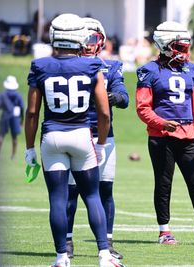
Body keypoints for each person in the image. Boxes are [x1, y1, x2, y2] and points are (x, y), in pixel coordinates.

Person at [24, 13, 124, 267]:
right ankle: (104, 254)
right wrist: (101, 143)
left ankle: (61, 257)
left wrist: (28, 148)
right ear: (79, 37)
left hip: (52, 137)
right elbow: (103, 113)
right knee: (92, 195)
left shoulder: (40, 65)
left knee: (58, 198)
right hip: (81, 135)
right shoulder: (92, 66)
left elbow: (32, 112)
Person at [135, 21, 194, 246]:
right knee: (164, 182)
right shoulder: (149, 71)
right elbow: (142, 107)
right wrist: (160, 123)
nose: (184, 51)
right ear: (164, 45)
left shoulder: (190, 69)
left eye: (185, 46)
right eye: (178, 47)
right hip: (162, 137)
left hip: (188, 133)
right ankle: (164, 231)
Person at [66, 17, 129, 260]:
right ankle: (67, 242)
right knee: (71, 192)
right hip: (75, 133)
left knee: (105, 191)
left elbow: (124, 97)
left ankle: (107, 242)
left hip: (104, 136)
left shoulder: (110, 67)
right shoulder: (67, 66)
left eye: (92, 38)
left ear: (100, 41)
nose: (88, 43)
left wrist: (113, 97)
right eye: (84, 37)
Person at [0, 75, 24, 159]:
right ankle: (13, 155)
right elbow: (22, 107)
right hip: (15, 117)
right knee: (14, 137)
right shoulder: (18, 95)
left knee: (1, 135)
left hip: (5, 115)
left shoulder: (3, 95)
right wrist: (22, 120)